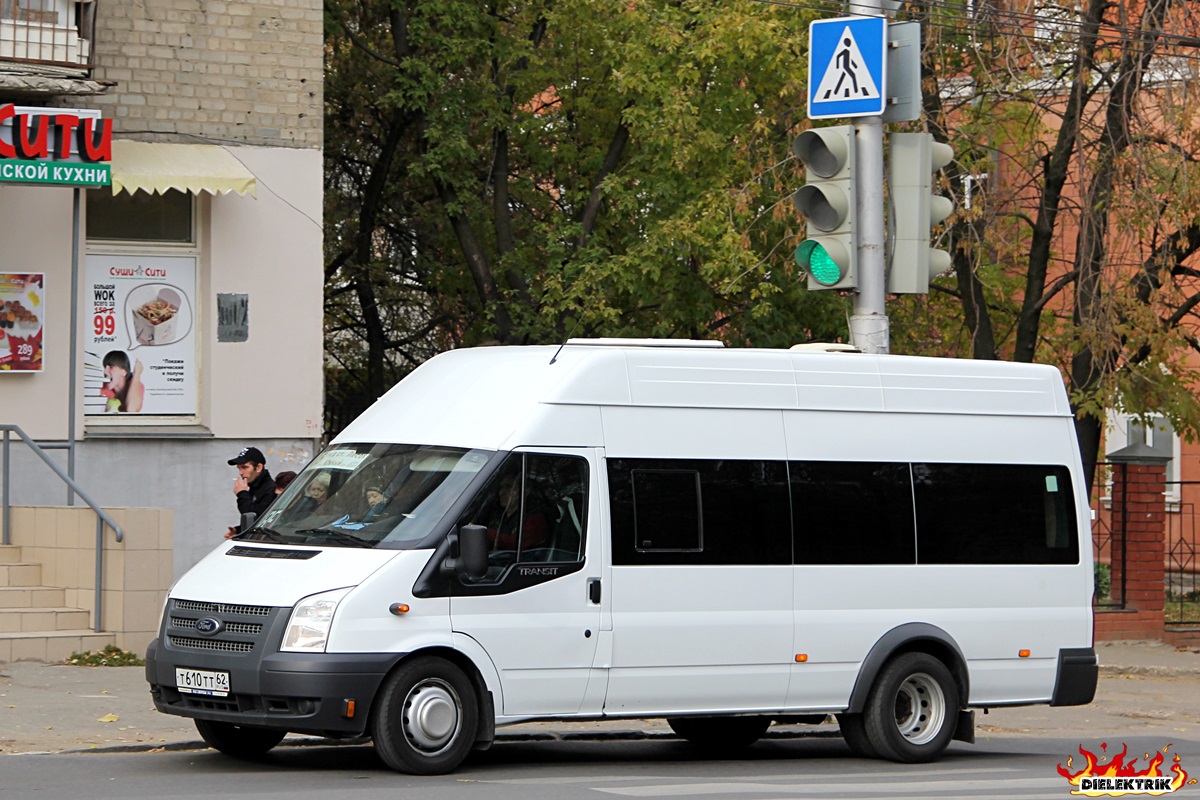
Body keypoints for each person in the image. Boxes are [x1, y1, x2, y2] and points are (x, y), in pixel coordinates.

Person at [480, 471, 548, 551]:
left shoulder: (535, 518)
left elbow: (515, 543)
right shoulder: (496, 513)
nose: (501, 492)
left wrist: (483, 533)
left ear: (525, 491)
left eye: (508, 487)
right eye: (501, 488)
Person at [224, 446, 275, 539]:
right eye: (239, 468)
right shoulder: (254, 487)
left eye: (244, 467)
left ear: (258, 467)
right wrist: (238, 530)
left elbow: (256, 518)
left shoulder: (270, 489)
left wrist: (242, 494)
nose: (241, 472)